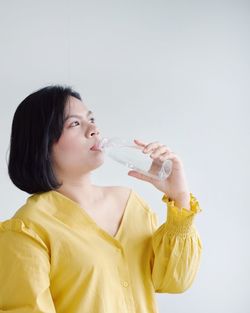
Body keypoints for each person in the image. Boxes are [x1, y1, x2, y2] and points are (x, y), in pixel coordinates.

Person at [0, 85, 203, 313]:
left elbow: (175, 281)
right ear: (43, 144)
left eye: (91, 119)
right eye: (74, 124)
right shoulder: (27, 228)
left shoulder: (131, 204)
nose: (94, 129)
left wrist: (179, 196)